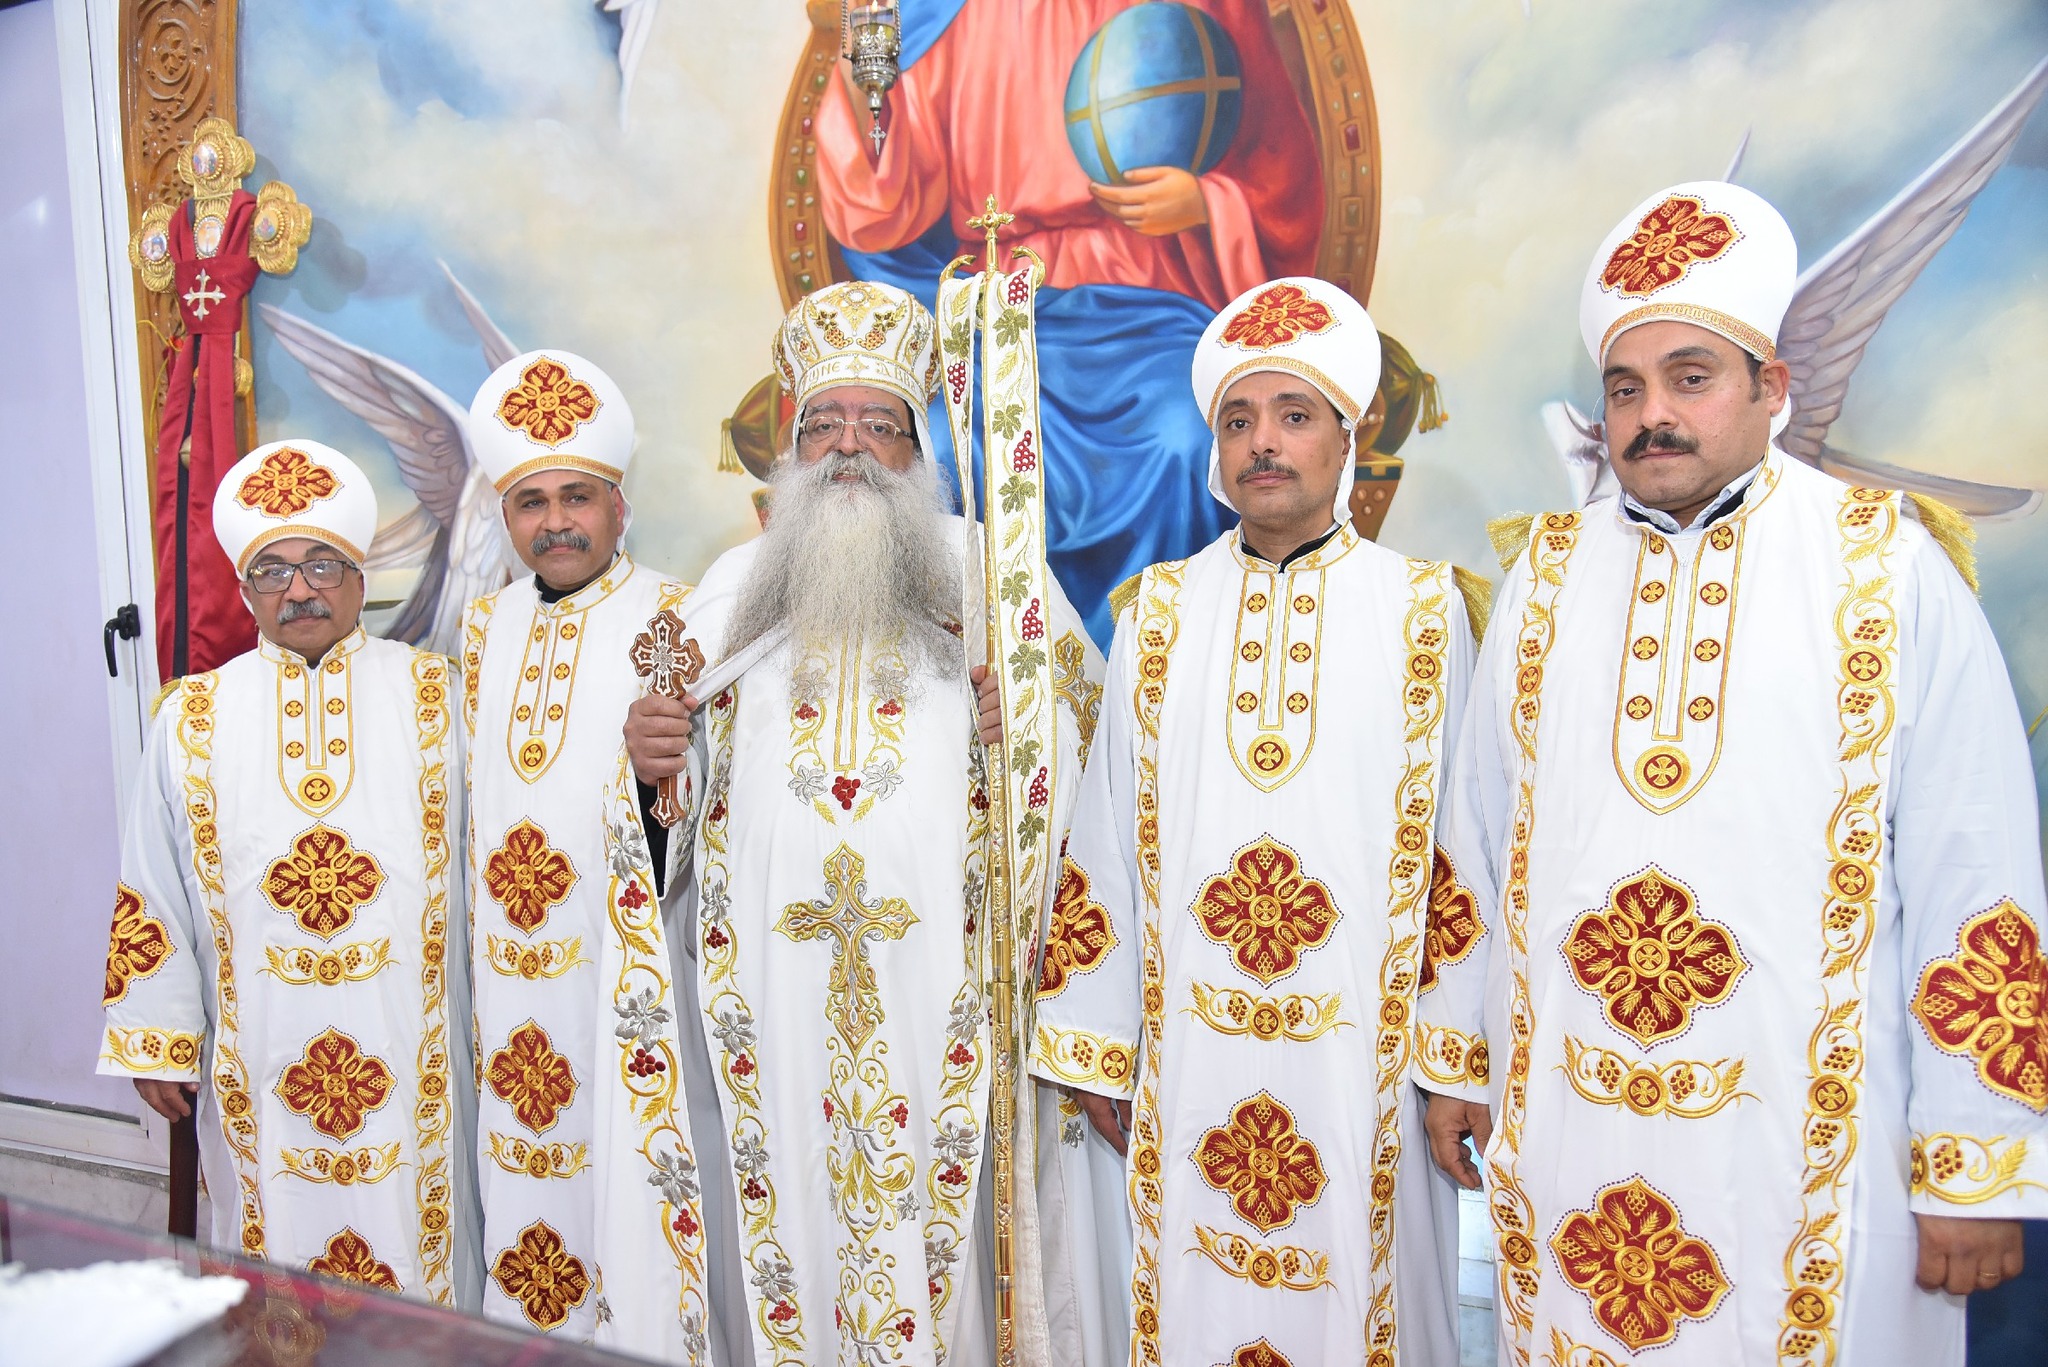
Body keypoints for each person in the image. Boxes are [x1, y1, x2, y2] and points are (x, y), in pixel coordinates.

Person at [1418, 181, 2047, 1364]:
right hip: (1573, 1121)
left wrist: (1974, 1159)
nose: (1650, 414)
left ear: (1772, 386)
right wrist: (1453, 1058)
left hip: (1811, 1145)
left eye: (1689, 377)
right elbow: (1476, 838)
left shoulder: (1886, 568)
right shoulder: (1543, 579)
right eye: (1623, 387)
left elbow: (1975, 867)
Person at [616, 279, 1111, 1366]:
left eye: (878, 424)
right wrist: (657, 772)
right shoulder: (734, 588)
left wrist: (1030, 733)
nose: (848, 447)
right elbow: (672, 801)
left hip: (947, 989)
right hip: (770, 995)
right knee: (786, 1217)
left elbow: (1095, 770)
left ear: (918, 448)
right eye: (822, 424)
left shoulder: (994, 580)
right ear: (790, 453)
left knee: (940, 1231)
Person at [1031, 276, 1477, 1366]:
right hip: (1194, 1049)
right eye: (1237, 421)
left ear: (1347, 438)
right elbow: (1103, 832)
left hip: (1363, 1059)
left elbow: (1462, 849)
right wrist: (1096, 1043)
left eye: (1292, 415)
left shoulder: (1426, 609)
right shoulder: (1157, 611)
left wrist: (1455, 1058)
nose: (1262, 442)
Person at [814, 0, 1325, 644]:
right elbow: (880, 201)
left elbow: (1283, 176)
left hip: (1151, 302)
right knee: (941, 445)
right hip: (999, 310)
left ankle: (1152, 671)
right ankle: (973, 680)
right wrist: (864, 88)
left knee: (1182, 435)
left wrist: (1206, 202)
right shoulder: (938, 12)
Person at [99, 440, 480, 1305]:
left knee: (421, 1243)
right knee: (270, 1241)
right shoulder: (192, 716)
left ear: (359, 579)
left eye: (321, 564)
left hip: (412, 1042)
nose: (299, 588)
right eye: (272, 570)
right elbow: (151, 880)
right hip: (261, 1051)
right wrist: (156, 1036)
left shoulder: (438, 694)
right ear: (245, 591)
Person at [457, 351, 709, 1352]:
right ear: (505, 516)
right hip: (508, 995)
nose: (555, 521)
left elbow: (707, 800)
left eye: (577, 497)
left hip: (624, 979)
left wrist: (657, 790)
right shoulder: (482, 627)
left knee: (629, 1205)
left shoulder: (677, 615)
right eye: (531, 501)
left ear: (618, 506)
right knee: (524, 1210)